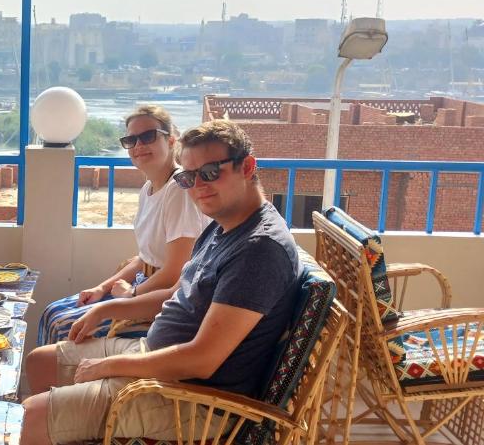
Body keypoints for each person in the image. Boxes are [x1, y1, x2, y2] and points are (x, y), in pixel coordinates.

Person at [20, 120, 301, 444]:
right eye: (188, 177)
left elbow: (203, 360)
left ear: (247, 166)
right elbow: (176, 292)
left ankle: (54, 425)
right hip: (156, 355)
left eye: (211, 172)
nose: (198, 186)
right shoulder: (222, 225)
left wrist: (109, 366)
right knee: (39, 362)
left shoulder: (259, 250)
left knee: (27, 417)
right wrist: (108, 308)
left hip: (192, 399)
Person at [37, 105, 208, 345]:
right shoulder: (148, 189)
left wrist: (131, 295)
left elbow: (175, 271)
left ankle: (59, 375)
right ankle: (51, 380)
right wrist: (101, 288)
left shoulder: (178, 190)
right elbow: (145, 258)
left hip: (163, 300)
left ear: (171, 140)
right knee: (52, 312)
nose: (138, 146)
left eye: (148, 136)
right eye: (131, 139)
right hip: (142, 285)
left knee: (62, 325)